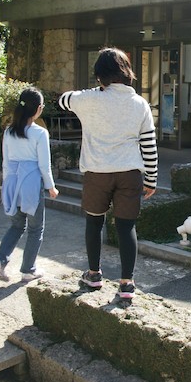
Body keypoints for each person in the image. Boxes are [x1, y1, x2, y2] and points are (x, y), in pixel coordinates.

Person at [58, 47, 158, 300]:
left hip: (97, 172)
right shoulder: (140, 103)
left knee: (94, 222)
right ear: (126, 72)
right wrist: (151, 178)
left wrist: (95, 90)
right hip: (130, 172)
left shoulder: (89, 99)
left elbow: (63, 100)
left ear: (100, 74)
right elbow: (149, 144)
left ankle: (94, 274)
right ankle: (127, 284)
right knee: (126, 227)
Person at [0, 87, 59, 283]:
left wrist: (6, 186)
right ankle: (28, 269)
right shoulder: (40, 133)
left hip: (12, 182)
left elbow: (5, 162)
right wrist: (51, 186)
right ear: (38, 109)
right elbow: (44, 165)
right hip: (30, 184)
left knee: (17, 225)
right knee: (35, 229)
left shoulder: (9, 132)